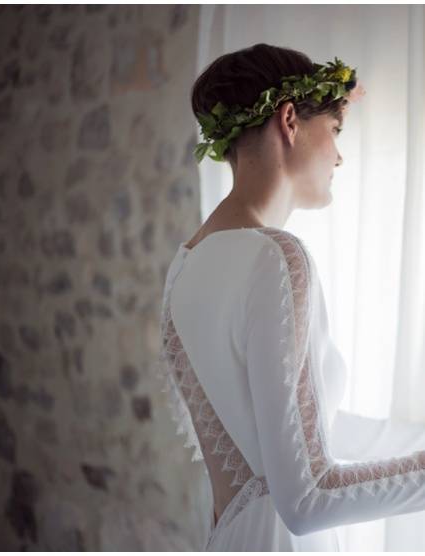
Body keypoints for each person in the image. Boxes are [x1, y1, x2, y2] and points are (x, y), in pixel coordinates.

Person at [159, 44, 425, 551]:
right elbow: (308, 498)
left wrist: (414, 437)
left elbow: (305, 431)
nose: (341, 156)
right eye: (337, 131)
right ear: (289, 120)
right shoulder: (277, 257)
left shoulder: (185, 265)